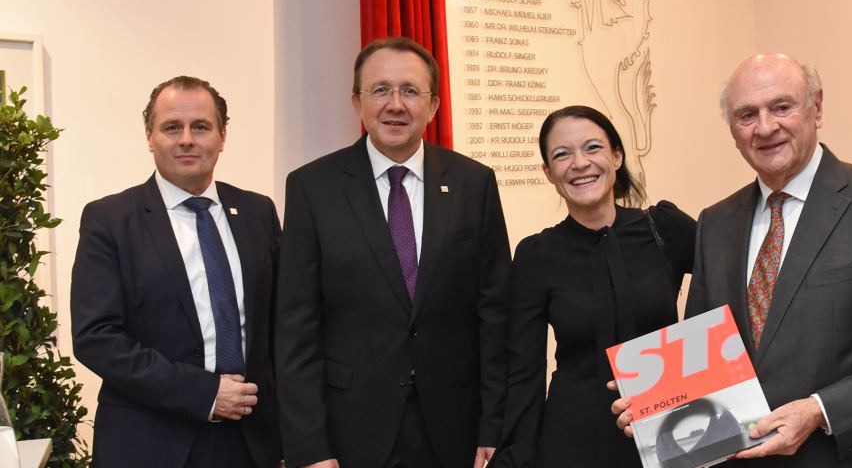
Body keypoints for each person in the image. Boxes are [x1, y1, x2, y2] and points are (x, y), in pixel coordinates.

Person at [614, 53, 852, 466]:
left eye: (781, 107)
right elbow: (703, 359)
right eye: (747, 115)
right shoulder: (716, 223)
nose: (765, 127)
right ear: (732, 130)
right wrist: (655, 411)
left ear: (816, 108)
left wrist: (822, 409)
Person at [274, 36, 511, 468]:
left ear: (434, 105)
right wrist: (309, 447)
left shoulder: (473, 183)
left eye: (410, 91)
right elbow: (296, 327)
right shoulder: (312, 188)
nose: (395, 104)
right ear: (357, 102)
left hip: (456, 429)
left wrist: (495, 428)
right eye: (380, 90)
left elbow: (495, 315)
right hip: (351, 431)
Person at [71, 76, 282, 468]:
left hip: (252, 442)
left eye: (200, 126)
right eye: (172, 127)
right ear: (150, 136)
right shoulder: (110, 219)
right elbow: (96, 338)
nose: (187, 139)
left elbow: (281, 327)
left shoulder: (258, 212)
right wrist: (204, 393)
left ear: (222, 136)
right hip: (150, 443)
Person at [492, 105, 696, 468]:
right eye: (561, 154)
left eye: (592, 148)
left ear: (616, 157)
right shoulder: (536, 255)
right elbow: (524, 368)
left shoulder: (665, 228)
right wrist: (516, 453)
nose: (580, 163)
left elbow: (730, 295)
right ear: (548, 173)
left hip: (668, 428)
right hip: (573, 439)